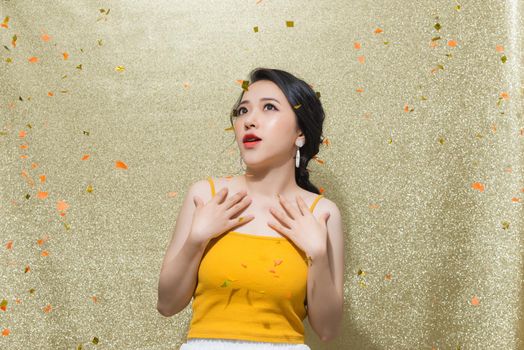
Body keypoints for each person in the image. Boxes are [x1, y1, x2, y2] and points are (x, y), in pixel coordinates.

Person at [157, 67, 344, 349]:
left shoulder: (321, 213)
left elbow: (327, 329)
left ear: (301, 132)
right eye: (242, 111)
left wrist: (318, 255)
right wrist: (197, 240)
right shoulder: (205, 196)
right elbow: (167, 305)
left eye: (269, 107)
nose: (249, 121)